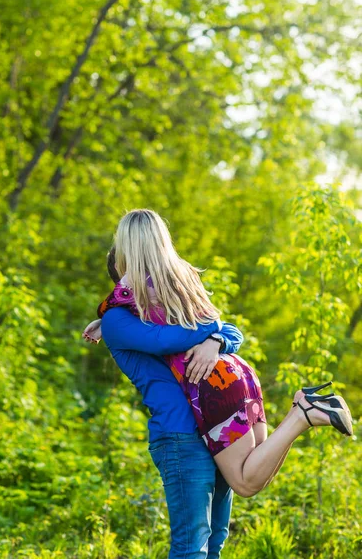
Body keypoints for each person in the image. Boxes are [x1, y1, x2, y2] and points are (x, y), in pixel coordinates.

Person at [85, 209, 353, 555]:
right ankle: (301, 415)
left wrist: (215, 339)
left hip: (190, 423)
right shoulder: (138, 315)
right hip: (219, 399)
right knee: (213, 537)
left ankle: (301, 415)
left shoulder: (141, 313)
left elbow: (177, 338)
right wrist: (216, 332)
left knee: (195, 543)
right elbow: (191, 333)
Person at [84, 252, 244, 558]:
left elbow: (234, 333)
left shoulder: (163, 313)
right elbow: (166, 342)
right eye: (140, 270)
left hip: (212, 429)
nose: (151, 276)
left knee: (216, 540)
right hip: (180, 435)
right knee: (191, 545)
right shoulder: (117, 320)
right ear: (123, 278)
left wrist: (217, 341)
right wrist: (214, 326)